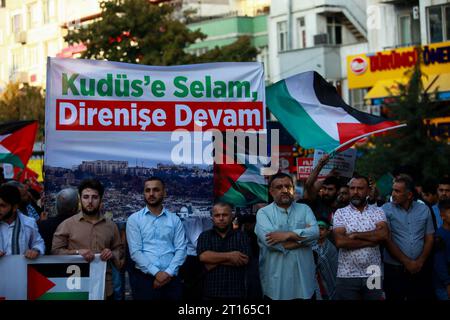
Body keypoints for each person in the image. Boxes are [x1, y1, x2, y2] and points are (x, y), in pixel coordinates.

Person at [52, 179, 124, 300]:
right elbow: (55, 252)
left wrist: (111, 254)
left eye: (94, 197)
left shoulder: (111, 226)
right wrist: (76, 252)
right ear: (80, 199)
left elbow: (119, 250)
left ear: (101, 199)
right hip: (76, 287)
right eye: (86, 197)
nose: (90, 202)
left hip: (105, 287)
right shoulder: (67, 225)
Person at [255, 172, 319, 300]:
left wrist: (288, 234)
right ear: (271, 191)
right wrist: (306, 240)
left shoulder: (304, 209)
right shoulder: (263, 213)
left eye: (288, 186)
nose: (284, 190)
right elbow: (271, 243)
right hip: (276, 283)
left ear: (293, 189)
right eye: (279, 187)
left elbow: (316, 233)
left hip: (304, 283)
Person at [126, 177, 187, 300]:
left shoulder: (174, 219)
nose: (151, 194)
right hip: (145, 280)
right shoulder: (134, 219)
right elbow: (135, 252)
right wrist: (157, 273)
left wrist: (168, 273)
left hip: (172, 279)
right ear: (144, 193)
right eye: (147, 190)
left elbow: (181, 250)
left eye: (156, 190)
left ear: (164, 193)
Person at [332, 175, 388, 300]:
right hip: (346, 274)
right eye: (352, 188)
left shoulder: (378, 211)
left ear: (368, 191)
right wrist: (371, 240)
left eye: (360, 188)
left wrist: (356, 235)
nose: (355, 192)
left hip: (374, 272)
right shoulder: (340, 213)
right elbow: (340, 241)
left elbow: (383, 235)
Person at [382, 174, 435, 300]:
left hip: (419, 269)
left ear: (409, 195)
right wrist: (407, 262)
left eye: (397, 191)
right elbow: (387, 240)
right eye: (392, 190)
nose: (393, 194)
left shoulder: (423, 209)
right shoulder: (384, 210)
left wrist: (420, 262)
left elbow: (429, 238)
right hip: (394, 270)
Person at [197, 202, 251, 300]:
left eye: (225, 215)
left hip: (236, 293)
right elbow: (204, 257)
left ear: (232, 217)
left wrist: (213, 260)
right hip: (211, 292)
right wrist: (231, 256)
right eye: (217, 215)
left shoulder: (242, 236)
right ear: (212, 218)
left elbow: (244, 260)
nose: (221, 218)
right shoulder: (205, 236)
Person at [0, 184, 44, 258]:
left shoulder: (28, 223)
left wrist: (35, 250)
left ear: (14, 207)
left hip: (21, 268)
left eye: (2, 206)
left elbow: (38, 243)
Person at [38, 188, 79, 255]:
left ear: (57, 205)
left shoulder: (44, 225)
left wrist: (43, 223)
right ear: (75, 207)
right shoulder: (80, 225)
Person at [301, 154, 340, 224]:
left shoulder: (342, 207)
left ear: (337, 192)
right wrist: (320, 165)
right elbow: (308, 184)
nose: (326, 192)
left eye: (330, 189)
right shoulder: (317, 203)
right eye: (324, 188)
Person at [312, 220, 338, 300]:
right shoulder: (309, 245)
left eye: (322, 229)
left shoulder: (331, 249)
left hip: (326, 285)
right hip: (313, 283)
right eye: (317, 228)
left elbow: (334, 269)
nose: (319, 231)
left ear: (327, 232)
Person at [433, 199, 450, 300]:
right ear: (442, 215)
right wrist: (448, 283)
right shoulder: (439, 236)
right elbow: (439, 263)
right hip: (444, 286)